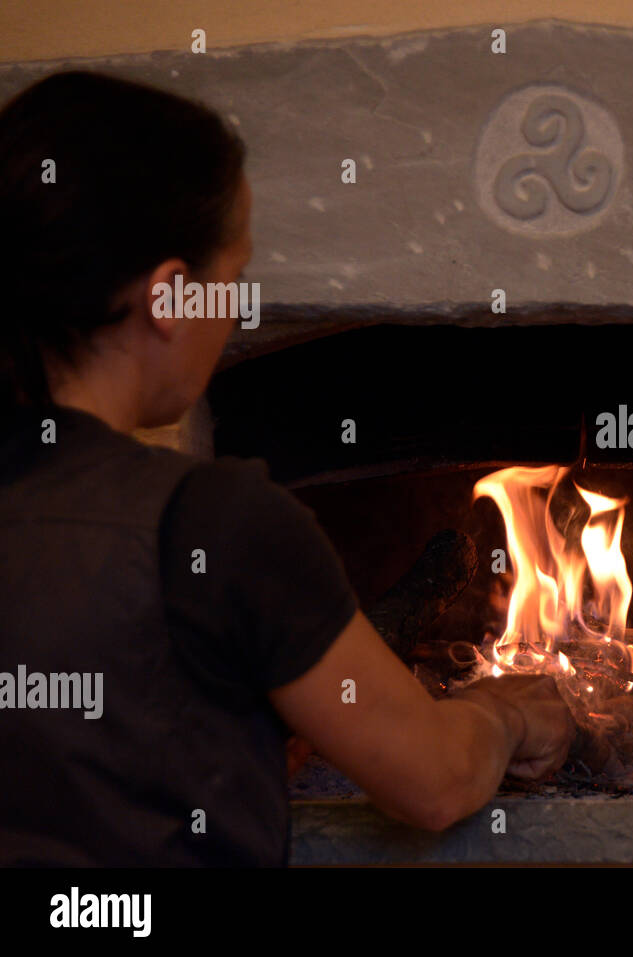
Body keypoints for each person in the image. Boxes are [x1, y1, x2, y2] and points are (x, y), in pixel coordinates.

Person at [0, 70, 575, 866]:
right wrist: (504, 712)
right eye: (229, 283)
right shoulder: (210, 520)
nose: (231, 315)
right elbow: (434, 782)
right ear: (169, 300)